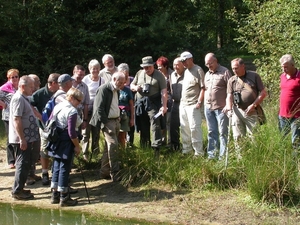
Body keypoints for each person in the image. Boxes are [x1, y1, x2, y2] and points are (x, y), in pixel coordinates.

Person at [223, 58, 267, 155]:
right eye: (233, 69)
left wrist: (253, 105)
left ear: (243, 66)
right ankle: (241, 160)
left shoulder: (254, 76)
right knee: (238, 137)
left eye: (236, 68)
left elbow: (263, 93)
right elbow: (229, 95)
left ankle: (255, 158)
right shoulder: (232, 80)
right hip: (237, 111)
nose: (234, 71)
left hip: (251, 111)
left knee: (254, 137)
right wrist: (228, 107)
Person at [47, 87, 83, 206]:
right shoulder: (71, 111)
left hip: (55, 140)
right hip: (66, 141)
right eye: (78, 101)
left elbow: (50, 120)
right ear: (72, 98)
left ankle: (54, 195)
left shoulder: (58, 106)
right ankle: (64, 197)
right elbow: (71, 132)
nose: (79, 104)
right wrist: (77, 146)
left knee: (56, 165)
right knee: (64, 168)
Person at [90, 72, 126, 181]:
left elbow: (114, 105)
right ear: (114, 79)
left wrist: (118, 116)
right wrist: (105, 123)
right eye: (120, 82)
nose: (121, 85)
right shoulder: (104, 89)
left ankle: (104, 172)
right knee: (113, 146)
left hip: (115, 120)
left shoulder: (117, 90)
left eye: (123, 83)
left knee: (108, 147)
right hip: (107, 122)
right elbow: (99, 108)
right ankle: (115, 173)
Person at [10, 76, 39, 200]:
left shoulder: (24, 98)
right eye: (31, 87)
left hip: (27, 138)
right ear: (23, 86)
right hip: (21, 139)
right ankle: (17, 191)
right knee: (22, 164)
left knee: (25, 163)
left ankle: (20, 188)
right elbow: (17, 119)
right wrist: (22, 138)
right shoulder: (18, 99)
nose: (33, 89)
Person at [130, 56, 168, 154]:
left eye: (149, 67)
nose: (147, 69)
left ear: (153, 65)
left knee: (155, 122)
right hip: (141, 103)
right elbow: (131, 85)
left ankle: (156, 147)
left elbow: (164, 92)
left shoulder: (159, 75)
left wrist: (164, 106)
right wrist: (136, 87)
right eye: (145, 67)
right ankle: (145, 146)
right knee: (143, 124)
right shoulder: (139, 73)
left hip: (153, 103)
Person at [30, 73, 60, 185]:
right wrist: (38, 115)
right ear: (53, 83)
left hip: (57, 127)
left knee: (57, 149)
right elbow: (29, 104)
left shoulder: (59, 93)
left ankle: (56, 173)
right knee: (44, 150)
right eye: (59, 83)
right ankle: (45, 173)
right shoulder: (40, 93)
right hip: (44, 127)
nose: (60, 86)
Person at [204, 53, 232, 160]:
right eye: (207, 64)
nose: (209, 65)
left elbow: (231, 90)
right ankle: (212, 155)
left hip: (221, 108)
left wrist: (229, 105)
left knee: (222, 132)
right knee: (211, 132)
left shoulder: (225, 72)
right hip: (208, 107)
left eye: (211, 63)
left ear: (216, 61)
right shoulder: (207, 74)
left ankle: (222, 156)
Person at [180, 51, 205, 157]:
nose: (183, 63)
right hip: (183, 104)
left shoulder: (198, 70)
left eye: (185, 61)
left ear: (191, 59)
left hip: (194, 104)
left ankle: (198, 152)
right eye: (182, 61)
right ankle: (186, 150)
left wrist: (199, 102)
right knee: (184, 128)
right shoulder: (186, 71)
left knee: (195, 128)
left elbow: (203, 88)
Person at [81, 59, 105, 161]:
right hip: (86, 110)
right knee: (85, 133)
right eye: (93, 68)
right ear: (89, 69)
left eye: (96, 68)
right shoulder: (85, 79)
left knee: (96, 133)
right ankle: (85, 155)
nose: (95, 70)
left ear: (99, 69)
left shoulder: (102, 80)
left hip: (97, 110)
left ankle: (95, 154)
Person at [278, 54, 300, 151]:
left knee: (295, 141)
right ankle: (285, 161)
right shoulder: (282, 76)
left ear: (293, 65)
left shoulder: (299, 76)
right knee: (283, 139)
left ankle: (296, 163)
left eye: (286, 67)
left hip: (297, 115)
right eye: (282, 67)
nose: (284, 69)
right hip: (283, 114)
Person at [0, 69, 19, 169]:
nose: (15, 79)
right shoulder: (4, 88)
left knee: (19, 136)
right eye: (13, 77)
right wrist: (4, 105)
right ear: (8, 78)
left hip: (18, 116)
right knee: (10, 138)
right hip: (8, 116)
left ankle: (19, 159)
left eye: (16, 76)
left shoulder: (19, 87)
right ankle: (11, 161)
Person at [156, 56, 174, 147]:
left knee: (168, 122)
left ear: (166, 66)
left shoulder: (172, 74)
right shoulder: (158, 75)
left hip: (170, 101)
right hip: (160, 101)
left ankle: (170, 143)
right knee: (161, 122)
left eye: (160, 66)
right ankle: (163, 141)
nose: (158, 68)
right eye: (158, 66)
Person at [117, 63, 134, 149]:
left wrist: (132, 119)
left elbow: (131, 105)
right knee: (115, 135)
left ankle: (122, 153)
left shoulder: (127, 90)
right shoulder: (114, 89)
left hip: (125, 115)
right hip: (115, 115)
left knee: (122, 136)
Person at [169, 57, 185, 152]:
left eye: (178, 64)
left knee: (185, 126)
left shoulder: (187, 74)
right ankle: (175, 147)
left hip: (185, 103)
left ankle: (187, 147)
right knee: (173, 126)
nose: (175, 67)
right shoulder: (172, 75)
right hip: (175, 103)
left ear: (183, 65)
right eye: (174, 65)